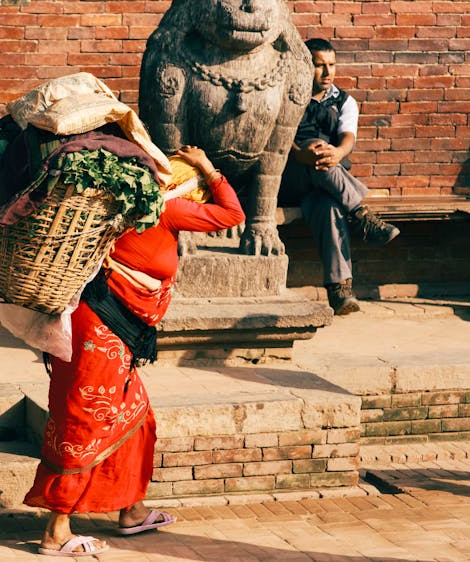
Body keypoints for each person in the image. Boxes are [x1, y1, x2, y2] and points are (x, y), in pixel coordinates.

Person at [23, 145, 246, 557]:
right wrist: (209, 169)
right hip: (101, 329)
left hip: (112, 332)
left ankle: (132, 510)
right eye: (196, 193)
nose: (197, 202)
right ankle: (56, 531)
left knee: (135, 416)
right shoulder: (164, 209)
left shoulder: (135, 206)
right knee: (86, 419)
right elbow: (232, 215)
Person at [278, 38, 400, 315]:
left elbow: (348, 139)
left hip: (327, 184)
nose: (327, 72)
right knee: (315, 150)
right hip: (290, 177)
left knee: (330, 207)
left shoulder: (345, 102)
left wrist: (336, 153)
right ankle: (361, 215)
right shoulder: (286, 96)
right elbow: (277, 139)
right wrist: (301, 154)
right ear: (304, 65)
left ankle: (339, 290)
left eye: (331, 65)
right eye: (319, 65)